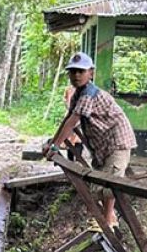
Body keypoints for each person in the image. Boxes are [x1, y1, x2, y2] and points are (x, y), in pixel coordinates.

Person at [44, 52, 137, 228]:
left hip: (117, 140)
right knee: (100, 179)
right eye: (73, 72)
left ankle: (108, 221)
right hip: (102, 143)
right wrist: (53, 143)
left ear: (91, 73)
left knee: (111, 181)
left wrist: (55, 147)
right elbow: (67, 118)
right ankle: (109, 218)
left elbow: (73, 121)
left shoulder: (89, 94)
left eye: (81, 71)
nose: (77, 75)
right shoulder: (78, 94)